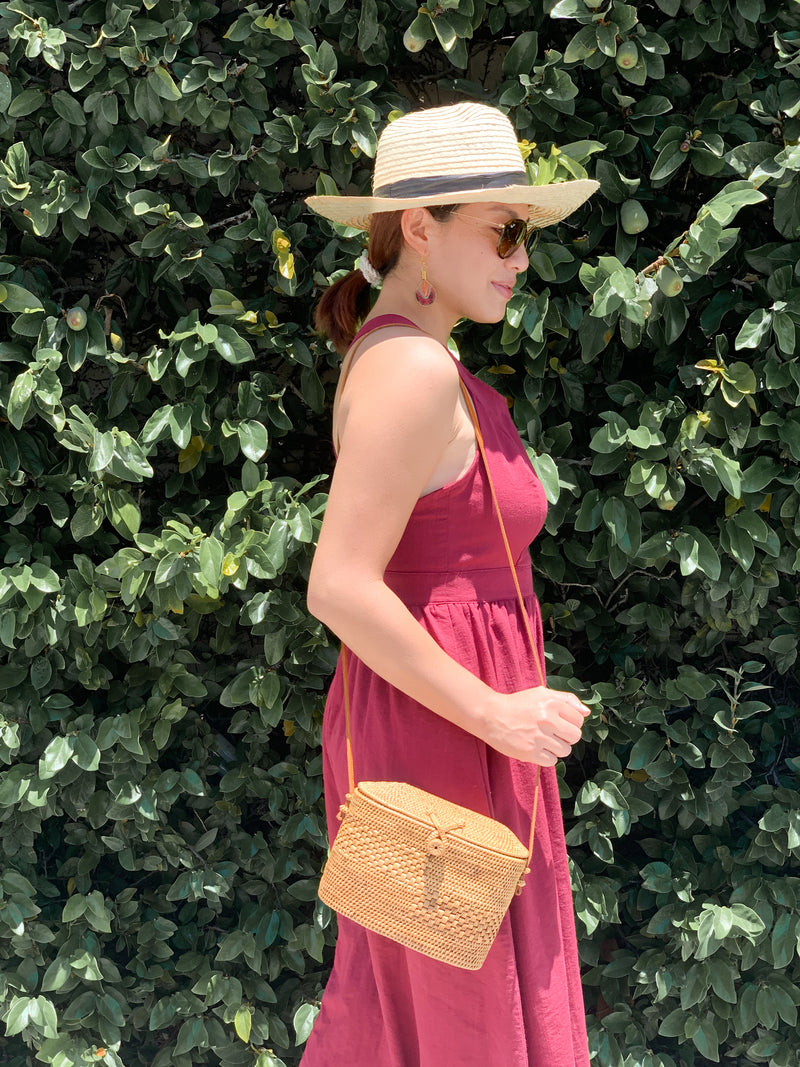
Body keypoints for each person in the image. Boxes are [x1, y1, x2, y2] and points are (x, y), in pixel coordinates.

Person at [301, 102, 598, 1067]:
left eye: (525, 233)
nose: (521, 256)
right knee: (444, 1016)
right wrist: (495, 715)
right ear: (421, 227)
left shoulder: (413, 358)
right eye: (504, 230)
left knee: (433, 1014)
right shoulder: (411, 371)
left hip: (449, 727)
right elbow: (339, 584)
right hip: (437, 740)